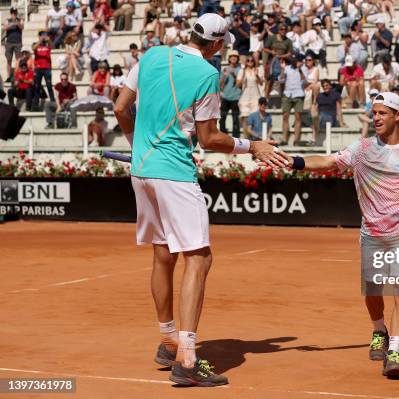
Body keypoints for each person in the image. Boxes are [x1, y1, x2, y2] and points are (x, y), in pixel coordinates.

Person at [113, 13, 287, 388]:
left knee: (163, 253)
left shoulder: (152, 54)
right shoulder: (208, 74)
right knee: (199, 257)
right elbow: (209, 139)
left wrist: (135, 143)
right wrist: (251, 145)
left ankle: (167, 339)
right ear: (218, 44)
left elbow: (120, 108)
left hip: (141, 171)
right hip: (174, 173)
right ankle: (188, 360)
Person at [283, 91, 399, 380]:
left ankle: (394, 352)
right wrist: (294, 162)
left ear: (398, 116)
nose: (376, 117)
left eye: (382, 112)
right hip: (372, 234)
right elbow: (329, 162)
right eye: (375, 112)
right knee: (372, 292)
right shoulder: (362, 148)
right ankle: (379, 330)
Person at [279, 55, 306, 145]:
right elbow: (281, 80)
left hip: (299, 95)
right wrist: (282, 69)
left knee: (298, 117)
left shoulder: (303, 69)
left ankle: (296, 140)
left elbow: (304, 81)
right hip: (287, 94)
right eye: (294, 60)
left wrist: (300, 69)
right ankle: (284, 139)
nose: (296, 62)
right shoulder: (286, 68)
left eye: (297, 60)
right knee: (285, 116)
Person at [236, 55, 263, 134]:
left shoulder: (257, 70)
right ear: (246, 62)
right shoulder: (242, 71)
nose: (250, 62)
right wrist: (244, 72)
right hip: (245, 96)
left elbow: (261, 83)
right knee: (245, 118)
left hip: (255, 96)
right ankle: (246, 139)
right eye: (248, 60)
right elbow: (238, 84)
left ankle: (255, 138)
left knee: (255, 117)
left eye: (251, 60)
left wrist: (257, 75)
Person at [220, 50, 242, 138]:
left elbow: (241, 84)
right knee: (222, 118)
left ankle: (236, 139)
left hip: (236, 97)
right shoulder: (225, 69)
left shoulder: (240, 70)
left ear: (237, 58)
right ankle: (223, 137)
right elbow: (220, 85)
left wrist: (234, 76)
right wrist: (224, 76)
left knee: (235, 119)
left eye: (235, 56)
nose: (233, 58)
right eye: (232, 56)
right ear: (229, 58)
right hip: (225, 97)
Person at [33, 31, 55, 111]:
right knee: (37, 87)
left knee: (49, 86)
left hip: (47, 68)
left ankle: (53, 103)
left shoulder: (47, 44)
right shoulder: (35, 44)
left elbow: (53, 47)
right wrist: (40, 41)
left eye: (44, 35)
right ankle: (36, 106)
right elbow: (33, 48)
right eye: (41, 35)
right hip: (38, 68)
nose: (43, 37)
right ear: (38, 36)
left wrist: (48, 40)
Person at [4, 7, 24, 82]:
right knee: (9, 60)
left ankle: (18, 75)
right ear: (11, 13)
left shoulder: (20, 20)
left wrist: (17, 23)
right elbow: (5, 28)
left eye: (15, 13)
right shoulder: (7, 20)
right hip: (9, 42)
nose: (14, 14)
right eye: (12, 13)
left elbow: (22, 27)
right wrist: (11, 24)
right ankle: (9, 76)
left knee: (18, 60)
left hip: (18, 42)